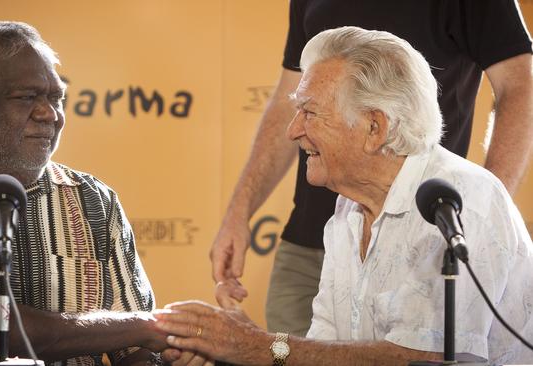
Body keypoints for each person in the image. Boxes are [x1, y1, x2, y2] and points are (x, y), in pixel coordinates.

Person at [158, 27, 533, 365]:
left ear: (374, 127)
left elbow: (423, 359)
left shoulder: (462, 200)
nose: (293, 131)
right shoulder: (348, 209)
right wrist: (236, 348)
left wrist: (256, 346)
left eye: (309, 112)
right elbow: (326, 351)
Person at [0, 21, 181, 366]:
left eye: (57, 98)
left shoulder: (93, 199)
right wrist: (146, 326)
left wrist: (163, 347)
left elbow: (136, 349)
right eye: (27, 97)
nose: (50, 114)